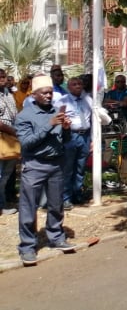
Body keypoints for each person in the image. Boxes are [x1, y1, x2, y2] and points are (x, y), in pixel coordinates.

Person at [15, 75, 77, 266]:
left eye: (50, 92)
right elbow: (27, 143)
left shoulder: (56, 112)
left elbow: (64, 141)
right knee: (28, 206)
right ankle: (27, 246)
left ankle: (56, 237)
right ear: (34, 95)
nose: (49, 96)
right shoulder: (25, 116)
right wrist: (49, 125)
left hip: (56, 164)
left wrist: (66, 129)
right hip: (34, 164)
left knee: (56, 204)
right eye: (45, 93)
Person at [55, 76, 94, 209]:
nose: (78, 86)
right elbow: (57, 120)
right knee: (68, 168)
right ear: (69, 87)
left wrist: (93, 140)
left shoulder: (88, 100)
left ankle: (77, 194)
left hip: (85, 136)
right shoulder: (62, 101)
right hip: (70, 136)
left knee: (80, 167)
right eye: (74, 84)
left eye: (79, 84)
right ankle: (66, 197)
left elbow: (93, 121)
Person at [0, 68, 19, 215]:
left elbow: (15, 115)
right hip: (3, 136)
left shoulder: (9, 94)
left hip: (12, 138)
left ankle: (3, 201)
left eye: (4, 76)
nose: (2, 78)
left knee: (6, 174)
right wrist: (13, 131)